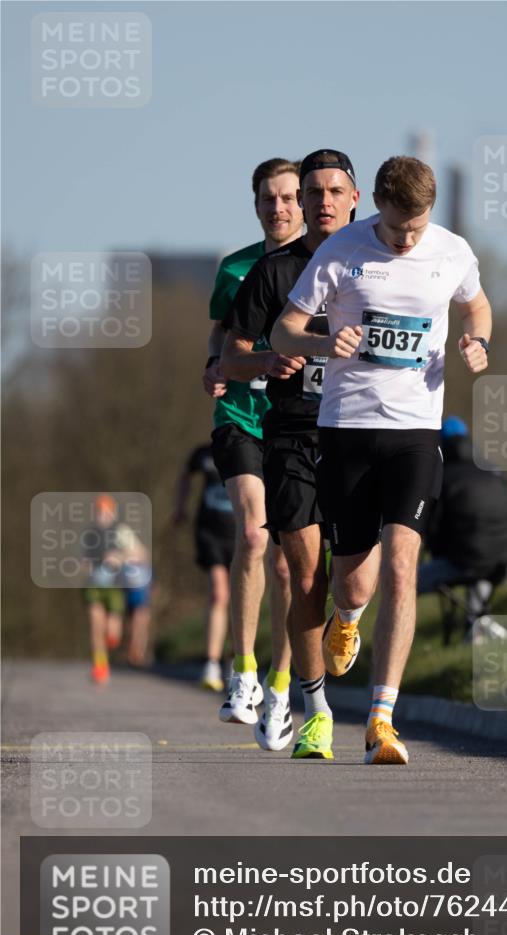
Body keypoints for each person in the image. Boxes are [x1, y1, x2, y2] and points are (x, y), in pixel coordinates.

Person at [272, 155, 492, 764]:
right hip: (346, 431)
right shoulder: (340, 251)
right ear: (378, 206)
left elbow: (476, 306)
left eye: (417, 227)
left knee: (402, 563)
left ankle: (380, 718)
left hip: (416, 432)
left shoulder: (451, 251)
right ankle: (348, 616)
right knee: (354, 580)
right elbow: (282, 333)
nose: (408, 239)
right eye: (397, 228)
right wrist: (321, 339)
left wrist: (478, 341)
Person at [221, 149, 360, 759]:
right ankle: (316, 708)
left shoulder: (379, 265)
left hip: (361, 434)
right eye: (311, 193)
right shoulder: (274, 273)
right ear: (301, 206)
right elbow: (229, 358)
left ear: (354, 198)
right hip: (291, 435)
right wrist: (267, 361)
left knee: (354, 580)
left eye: (333, 191)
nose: (320, 202)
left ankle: (346, 618)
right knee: (301, 571)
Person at [203, 158, 301, 746]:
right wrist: (212, 366)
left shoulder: (320, 266)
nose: (279, 207)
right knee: (255, 535)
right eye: (268, 198)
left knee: (291, 560)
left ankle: (281, 683)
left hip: (294, 423)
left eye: (288, 197)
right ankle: (241, 674)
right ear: (256, 204)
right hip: (239, 416)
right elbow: (220, 332)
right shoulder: (235, 267)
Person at [418, 416, 507, 641]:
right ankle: (477, 625)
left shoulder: (441, 478)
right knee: (480, 563)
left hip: (467, 563)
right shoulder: (493, 470)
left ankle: (475, 625)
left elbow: (431, 529)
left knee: (405, 581)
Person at [173, 443, 236, 691]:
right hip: (209, 532)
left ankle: (235, 660)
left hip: (240, 533)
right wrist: (180, 507)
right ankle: (211, 663)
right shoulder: (203, 453)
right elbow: (184, 476)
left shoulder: (250, 445)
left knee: (238, 600)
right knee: (218, 593)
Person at [82, 494, 151, 684]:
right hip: (95, 586)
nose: (102, 516)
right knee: (96, 623)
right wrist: (85, 565)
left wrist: (119, 556)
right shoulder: (89, 534)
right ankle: (100, 665)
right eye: (99, 512)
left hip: (115, 586)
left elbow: (141, 553)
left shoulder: (121, 531)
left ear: (112, 514)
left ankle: (113, 644)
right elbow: (83, 560)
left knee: (112, 631)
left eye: (106, 512)